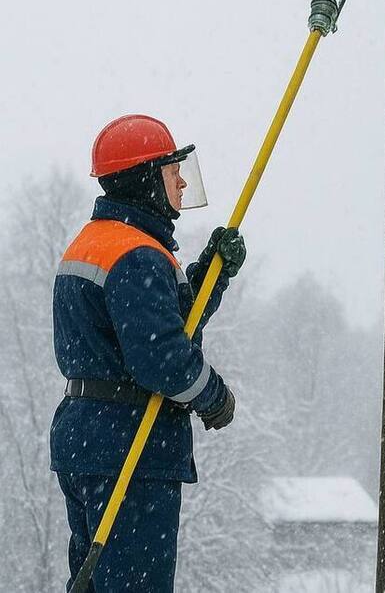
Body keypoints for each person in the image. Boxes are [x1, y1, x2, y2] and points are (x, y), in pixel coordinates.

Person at [51, 113, 246, 591]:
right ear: (144, 180)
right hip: (129, 446)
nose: (181, 181)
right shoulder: (138, 254)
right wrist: (214, 396)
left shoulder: (96, 243)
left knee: (95, 580)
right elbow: (161, 357)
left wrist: (211, 274)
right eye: (170, 170)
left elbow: (156, 326)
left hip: (86, 439)